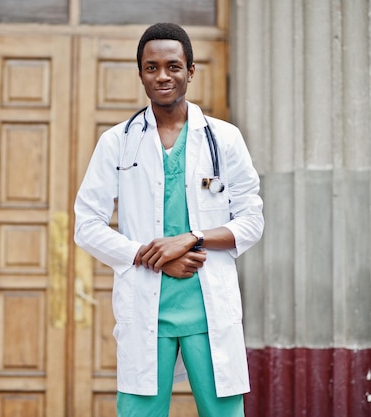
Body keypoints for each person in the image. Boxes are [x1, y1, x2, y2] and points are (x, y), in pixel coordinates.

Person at [74, 22, 264, 417]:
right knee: (139, 412)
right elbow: (86, 225)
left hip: (207, 308)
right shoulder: (118, 141)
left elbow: (251, 221)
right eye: (151, 67)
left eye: (173, 66)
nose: (163, 76)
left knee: (223, 414)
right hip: (147, 307)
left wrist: (190, 238)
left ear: (190, 71)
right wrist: (153, 255)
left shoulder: (223, 139)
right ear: (141, 73)